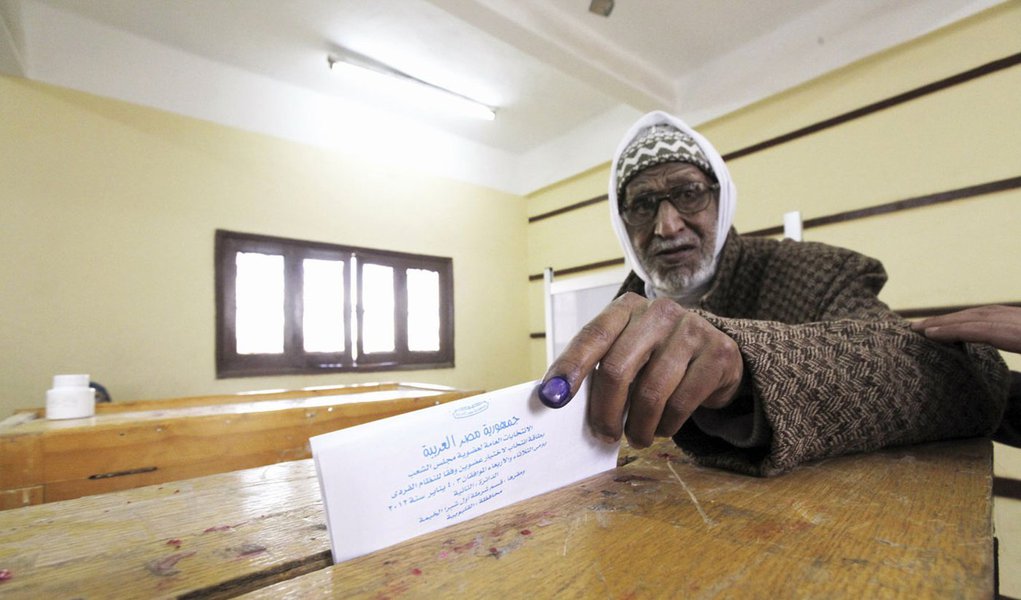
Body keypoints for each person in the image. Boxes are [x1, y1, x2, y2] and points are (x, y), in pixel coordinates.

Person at [538, 110, 1010, 476]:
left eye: (688, 194)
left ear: (722, 199)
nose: (667, 225)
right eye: (642, 205)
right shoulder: (618, 313)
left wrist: (745, 369)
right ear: (623, 224)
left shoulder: (814, 271)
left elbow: (947, 379)